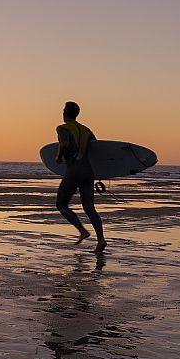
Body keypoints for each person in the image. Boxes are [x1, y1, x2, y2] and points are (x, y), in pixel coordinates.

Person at [55, 101, 107, 253]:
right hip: (88, 171)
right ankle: (101, 239)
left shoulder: (62, 128)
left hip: (74, 171)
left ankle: (82, 231)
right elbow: (96, 147)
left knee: (61, 204)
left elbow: (64, 144)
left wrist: (59, 157)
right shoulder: (86, 130)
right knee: (89, 207)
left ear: (65, 113)